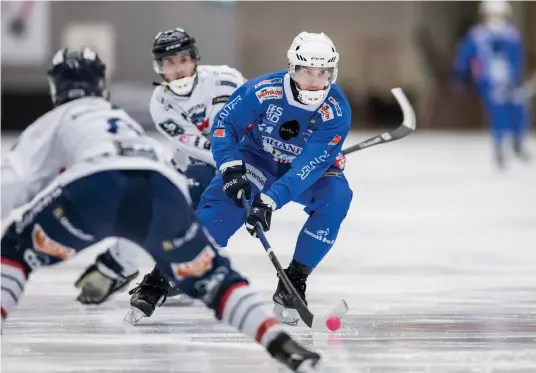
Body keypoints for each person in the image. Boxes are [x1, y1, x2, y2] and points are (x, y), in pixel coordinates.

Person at [0, 47, 321, 373]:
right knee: (216, 279)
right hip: (165, 188)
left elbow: (14, 183)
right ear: (101, 84)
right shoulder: (123, 117)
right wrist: (115, 264)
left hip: (98, 184)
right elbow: (139, 204)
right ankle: (282, 345)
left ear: (56, 87)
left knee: (14, 249)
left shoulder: (55, 120)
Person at [196, 31, 353, 325]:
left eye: (324, 73)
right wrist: (230, 166)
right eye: (307, 72)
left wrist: (269, 200)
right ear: (293, 69)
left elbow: (309, 166)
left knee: (336, 198)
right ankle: (167, 272)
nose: (315, 81)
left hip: (303, 171)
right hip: (259, 159)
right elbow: (225, 124)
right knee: (221, 210)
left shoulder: (336, 108)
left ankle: (294, 280)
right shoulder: (262, 90)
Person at [97, 28, 246, 322]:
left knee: (213, 215)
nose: (176, 69)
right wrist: (231, 164)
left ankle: (167, 275)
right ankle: (137, 266)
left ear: (195, 59)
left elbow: (254, 120)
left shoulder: (226, 79)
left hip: (236, 166)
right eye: (168, 63)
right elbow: (197, 146)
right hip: (195, 169)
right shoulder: (161, 102)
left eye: (182, 60)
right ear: (159, 67)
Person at [454, 0, 529, 169]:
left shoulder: (511, 35)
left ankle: (517, 143)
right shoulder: (477, 35)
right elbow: (466, 55)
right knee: (499, 115)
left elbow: (518, 58)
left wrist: (517, 78)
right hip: (490, 81)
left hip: (511, 80)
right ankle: (499, 149)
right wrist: (462, 74)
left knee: (518, 111)